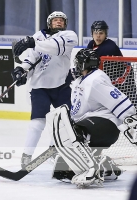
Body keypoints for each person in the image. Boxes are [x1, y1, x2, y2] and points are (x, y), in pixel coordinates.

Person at [45, 48, 136, 188]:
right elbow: (78, 113)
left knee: (73, 131)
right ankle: (107, 168)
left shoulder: (96, 79)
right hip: (95, 126)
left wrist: (131, 123)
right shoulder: (81, 81)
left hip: (104, 125)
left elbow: (119, 101)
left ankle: (90, 169)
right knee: (63, 170)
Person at [11, 11, 78, 168]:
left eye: (61, 20)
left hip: (61, 86)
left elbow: (55, 47)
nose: (58, 22)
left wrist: (33, 42)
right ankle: (26, 156)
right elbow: (31, 59)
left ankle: (54, 150)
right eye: (55, 20)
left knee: (68, 122)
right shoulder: (38, 36)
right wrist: (21, 71)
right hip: (40, 87)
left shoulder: (70, 35)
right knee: (37, 123)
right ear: (50, 23)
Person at [87, 20, 137, 107]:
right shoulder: (91, 44)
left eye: (101, 33)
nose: (98, 36)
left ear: (105, 34)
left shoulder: (109, 47)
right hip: (109, 75)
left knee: (129, 100)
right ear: (92, 33)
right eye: (95, 33)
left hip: (123, 75)